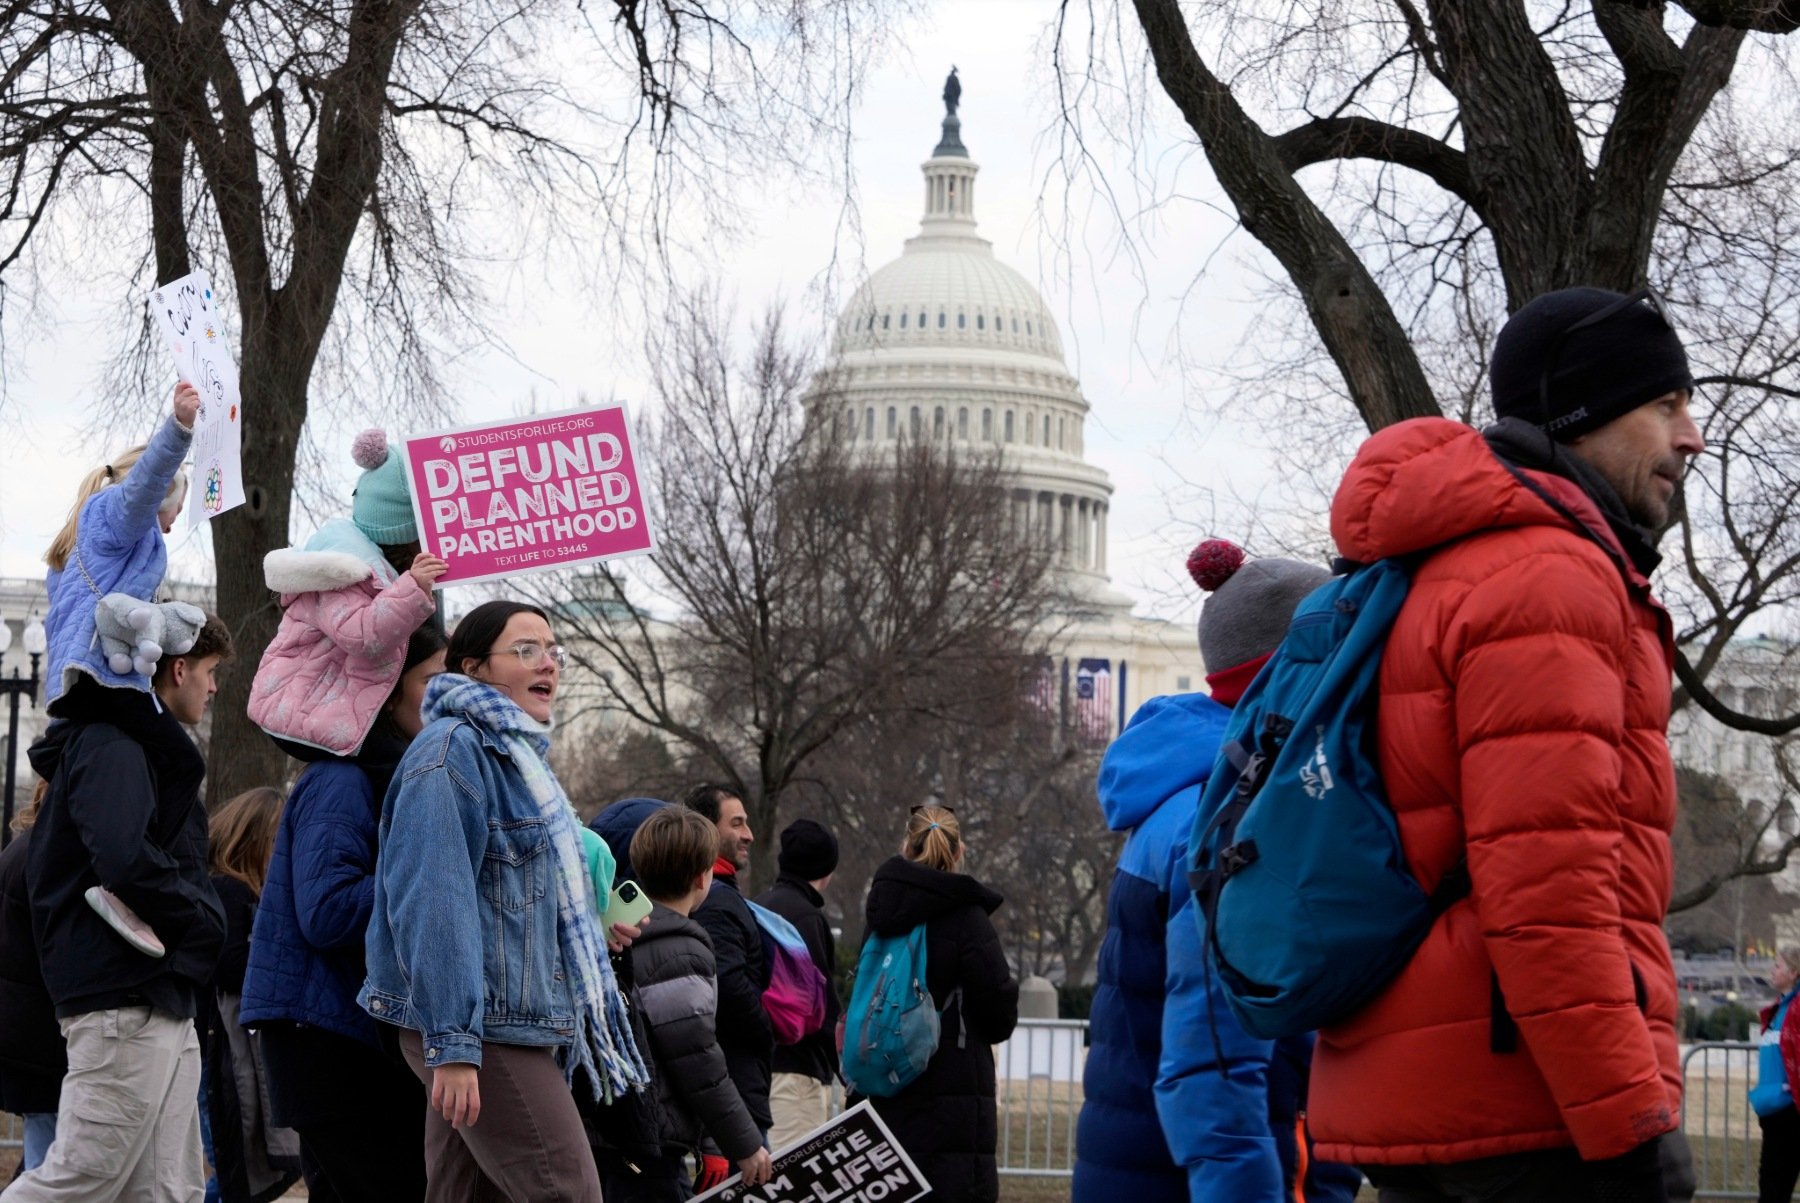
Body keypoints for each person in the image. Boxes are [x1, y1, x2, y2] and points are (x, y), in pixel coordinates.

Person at [1308, 286, 1705, 1202]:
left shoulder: (1443, 566)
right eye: (1666, 403)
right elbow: (1549, 892)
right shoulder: (1547, 577)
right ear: (1586, 413)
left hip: (1433, 1087)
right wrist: (1628, 1123)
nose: (1692, 435)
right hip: (1530, 1108)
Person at [1073, 539, 1359, 1203]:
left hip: (1146, 1165)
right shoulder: (1233, 820)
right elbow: (1215, 1075)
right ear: (1294, 672)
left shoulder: (1186, 798)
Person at [359, 600, 648, 1203]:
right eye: (525, 650)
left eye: (552, 651)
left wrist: (592, 929)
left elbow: (513, 906)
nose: (548, 663)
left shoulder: (518, 762)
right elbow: (433, 901)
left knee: (465, 1194)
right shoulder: (449, 753)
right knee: (567, 1190)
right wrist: (456, 1045)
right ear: (475, 669)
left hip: (493, 1017)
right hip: (481, 1023)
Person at [9, 614, 232, 1202]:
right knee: (78, 1182)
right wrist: (204, 922)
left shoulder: (137, 747)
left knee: (167, 1189)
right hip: (125, 996)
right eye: (210, 673)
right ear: (178, 668)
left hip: (154, 996)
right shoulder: (114, 743)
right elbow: (125, 859)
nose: (213, 689)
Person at [240, 625, 446, 1203]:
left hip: (336, 1032)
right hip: (329, 1040)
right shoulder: (342, 779)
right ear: (385, 689)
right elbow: (327, 911)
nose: (443, 695)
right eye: (431, 680)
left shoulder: (378, 775)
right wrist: (435, 878)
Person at [607, 804, 773, 1201]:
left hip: (611, 1134)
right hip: (651, 1144)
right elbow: (698, 1059)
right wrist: (745, 1144)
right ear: (703, 877)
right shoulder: (680, 950)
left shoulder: (619, 936)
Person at [853, 805, 1018, 1203]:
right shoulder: (968, 919)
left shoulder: (880, 912)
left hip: (882, 1084)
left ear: (905, 846)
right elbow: (998, 1017)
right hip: (952, 1096)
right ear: (959, 850)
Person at [249, 428, 446, 760]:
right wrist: (413, 587)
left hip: (334, 705)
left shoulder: (382, 574)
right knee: (402, 767)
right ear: (403, 534)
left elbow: (404, 635)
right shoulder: (340, 572)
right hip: (304, 709)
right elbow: (366, 635)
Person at [42, 382, 196, 712]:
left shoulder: (87, 542)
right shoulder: (117, 515)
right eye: (177, 508)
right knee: (183, 761)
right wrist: (179, 429)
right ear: (162, 496)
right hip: (99, 674)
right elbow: (144, 487)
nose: (174, 522)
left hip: (79, 677)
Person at [198, 787, 299, 1203]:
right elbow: (229, 966)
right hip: (223, 1052)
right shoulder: (229, 893)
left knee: (252, 1174)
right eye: (276, 840)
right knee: (235, 1172)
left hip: (232, 1049)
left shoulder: (245, 894)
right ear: (252, 840)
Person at [683, 782, 774, 1186]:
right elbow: (730, 989)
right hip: (733, 1092)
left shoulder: (717, 896)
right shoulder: (717, 902)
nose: (749, 835)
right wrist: (767, 1032)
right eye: (736, 823)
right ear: (706, 829)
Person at [754, 818, 843, 1151]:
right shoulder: (806, 918)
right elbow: (819, 1007)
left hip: (756, 1071)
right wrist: (848, 1072)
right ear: (826, 869)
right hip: (796, 1072)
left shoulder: (758, 907)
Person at [0, 783, 62, 1174]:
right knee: (48, 1167)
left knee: (45, 1160)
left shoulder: (22, 849)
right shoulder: (46, 855)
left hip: (25, 1037)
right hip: (42, 1041)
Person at [1752, 946, 1800, 1203]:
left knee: (1774, 1187)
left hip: (1790, 1112)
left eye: (1778, 966)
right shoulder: (1779, 1009)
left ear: (1793, 972)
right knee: (1772, 1184)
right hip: (1774, 1111)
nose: (1772, 970)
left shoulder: (1797, 1008)